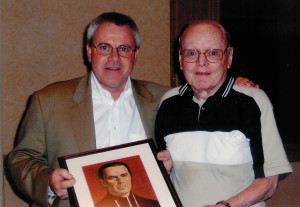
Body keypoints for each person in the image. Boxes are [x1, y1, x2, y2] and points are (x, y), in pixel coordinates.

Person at [6, 12, 255, 207]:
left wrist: (239, 87)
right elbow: (20, 158)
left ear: (135, 56)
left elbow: (208, 92)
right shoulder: (49, 101)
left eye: (124, 49)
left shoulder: (166, 99)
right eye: (104, 47)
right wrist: (48, 181)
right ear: (89, 51)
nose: (114, 57)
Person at [155, 20, 292, 207]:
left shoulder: (253, 101)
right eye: (191, 53)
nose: (201, 62)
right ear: (180, 59)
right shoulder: (168, 103)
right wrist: (164, 170)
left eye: (212, 53)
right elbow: (166, 174)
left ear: (229, 57)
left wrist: (226, 206)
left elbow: (269, 182)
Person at [95, 162, 160, 207]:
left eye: (123, 175)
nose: (120, 181)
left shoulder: (154, 204)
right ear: (103, 183)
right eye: (112, 178)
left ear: (130, 177)